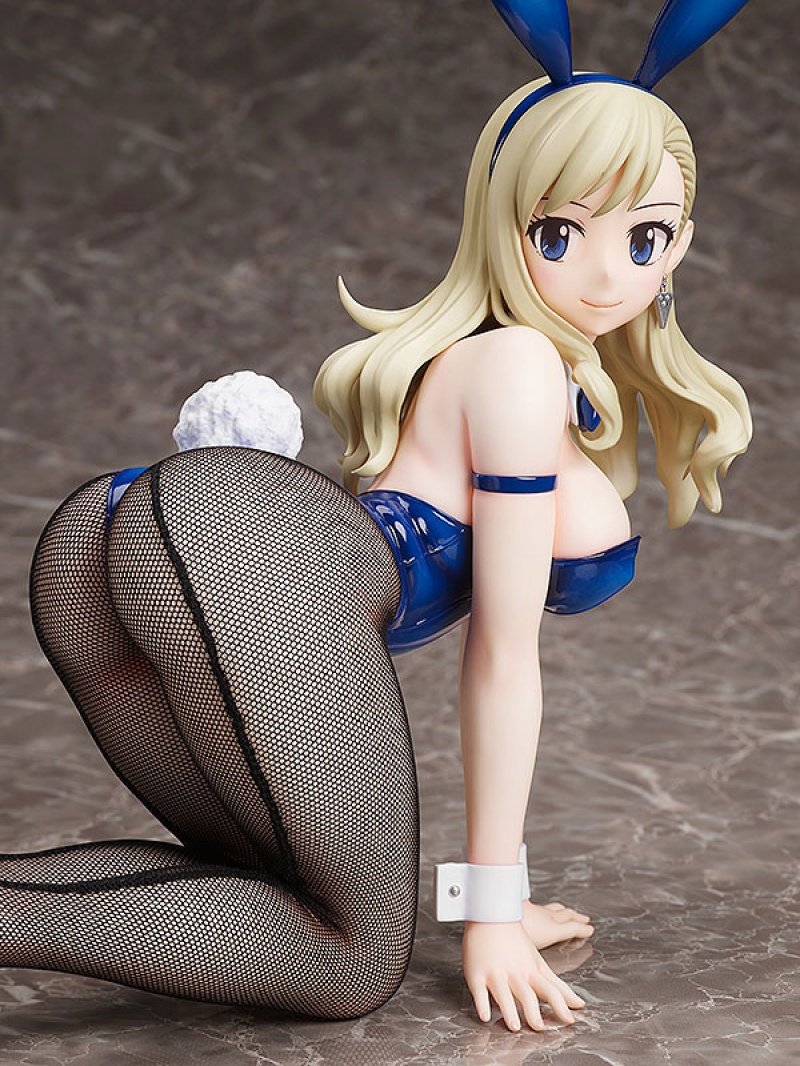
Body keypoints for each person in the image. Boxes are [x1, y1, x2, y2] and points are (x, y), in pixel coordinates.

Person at [3, 0, 752, 1035]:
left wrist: (506, 900)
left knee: (267, 882)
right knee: (348, 960)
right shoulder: (520, 367)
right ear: (503, 220)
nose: (600, 272)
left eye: (644, 238)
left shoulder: (503, 361)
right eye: (559, 232)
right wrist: (487, 911)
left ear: (680, 247)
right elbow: (501, 655)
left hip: (146, 545)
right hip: (240, 565)